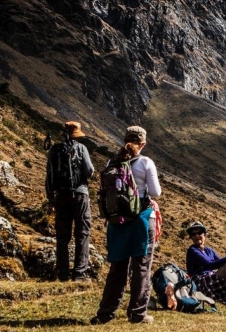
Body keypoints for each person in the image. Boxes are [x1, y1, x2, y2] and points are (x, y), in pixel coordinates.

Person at [92, 126, 162, 325]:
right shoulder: (145, 162)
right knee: (141, 267)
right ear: (143, 144)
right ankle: (137, 314)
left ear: (124, 140)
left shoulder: (111, 162)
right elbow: (155, 192)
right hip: (140, 219)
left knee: (117, 268)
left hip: (116, 221)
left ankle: (105, 313)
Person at [45, 121, 95, 282]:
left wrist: (51, 199)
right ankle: (79, 273)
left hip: (60, 196)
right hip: (80, 195)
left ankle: (63, 273)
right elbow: (89, 172)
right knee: (82, 233)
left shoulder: (54, 150)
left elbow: (49, 176)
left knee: (62, 236)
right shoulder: (81, 148)